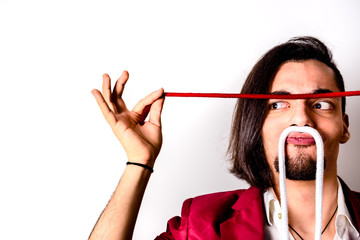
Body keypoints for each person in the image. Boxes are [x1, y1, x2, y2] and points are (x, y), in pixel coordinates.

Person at [89, 36, 360, 240]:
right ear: (256, 124)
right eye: (278, 104)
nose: (301, 119)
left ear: (344, 127)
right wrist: (139, 161)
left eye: (321, 104)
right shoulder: (202, 225)